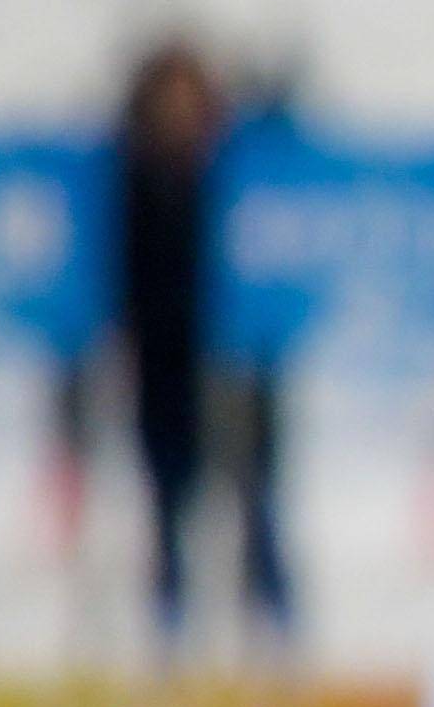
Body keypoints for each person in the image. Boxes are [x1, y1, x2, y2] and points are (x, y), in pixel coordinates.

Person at [95, 38, 293, 649]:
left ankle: (270, 618)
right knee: (167, 502)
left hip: (238, 363)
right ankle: (170, 623)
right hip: (165, 363)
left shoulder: (238, 173)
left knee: (257, 499)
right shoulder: (131, 177)